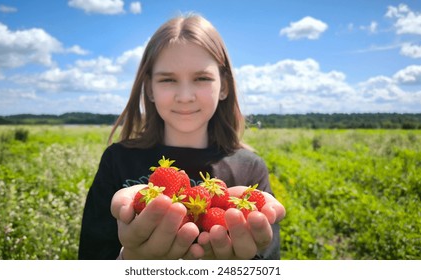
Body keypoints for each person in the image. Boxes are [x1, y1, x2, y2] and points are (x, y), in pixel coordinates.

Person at [78, 13, 286, 260]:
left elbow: (269, 259)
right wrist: (130, 261)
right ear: (149, 89)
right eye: (168, 79)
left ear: (225, 87)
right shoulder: (117, 160)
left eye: (202, 78)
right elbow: (91, 256)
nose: (185, 96)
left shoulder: (250, 167)